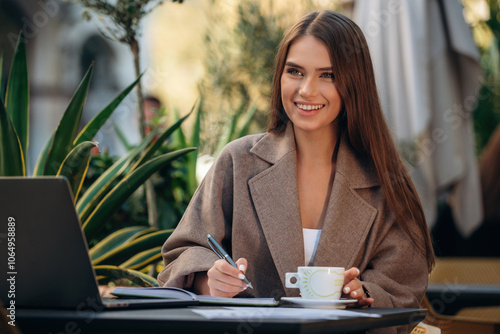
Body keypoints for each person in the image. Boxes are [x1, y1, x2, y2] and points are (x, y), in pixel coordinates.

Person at [158, 9, 434, 320]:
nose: (306, 90)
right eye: (295, 72)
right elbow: (183, 253)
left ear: (354, 84)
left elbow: (405, 282)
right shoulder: (238, 161)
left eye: (327, 75)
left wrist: (366, 293)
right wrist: (210, 280)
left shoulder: (385, 180)